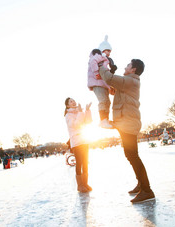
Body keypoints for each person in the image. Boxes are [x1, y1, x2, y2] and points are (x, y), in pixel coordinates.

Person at [98, 59, 155, 203]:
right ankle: (142, 185)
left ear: (133, 69)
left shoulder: (131, 81)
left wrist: (101, 65)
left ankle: (147, 190)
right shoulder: (129, 82)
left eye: (128, 65)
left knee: (133, 155)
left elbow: (109, 78)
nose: (126, 66)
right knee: (131, 155)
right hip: (126, 123)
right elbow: (114, 87)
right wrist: (112, 75)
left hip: (128, 123)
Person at [87, 35, 117, 129]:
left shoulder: (105, 60)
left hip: (102, 84)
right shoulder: (98, 56)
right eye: (108, 50)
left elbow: (105, 75)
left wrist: (110, 86)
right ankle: (102, 120)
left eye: (110, 51)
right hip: (96, 83)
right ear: (103, 50)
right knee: (103, 100)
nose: (109, 53)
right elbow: (93, 62)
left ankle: (106, 120)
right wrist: (96, 73)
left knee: (107, 102)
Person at [64, 97, 93, 193]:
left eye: (73, 100)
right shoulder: (68, 116)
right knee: (79, 163)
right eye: (71, 101)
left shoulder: (79, 112)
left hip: (84, 140)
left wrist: (87, 111)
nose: (73, 102)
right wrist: (81, 113)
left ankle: (85, 183)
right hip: (76, 141)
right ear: (68, 105)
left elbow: (88, 122)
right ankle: (80, 185)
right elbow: (76, 124)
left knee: (85, 162)